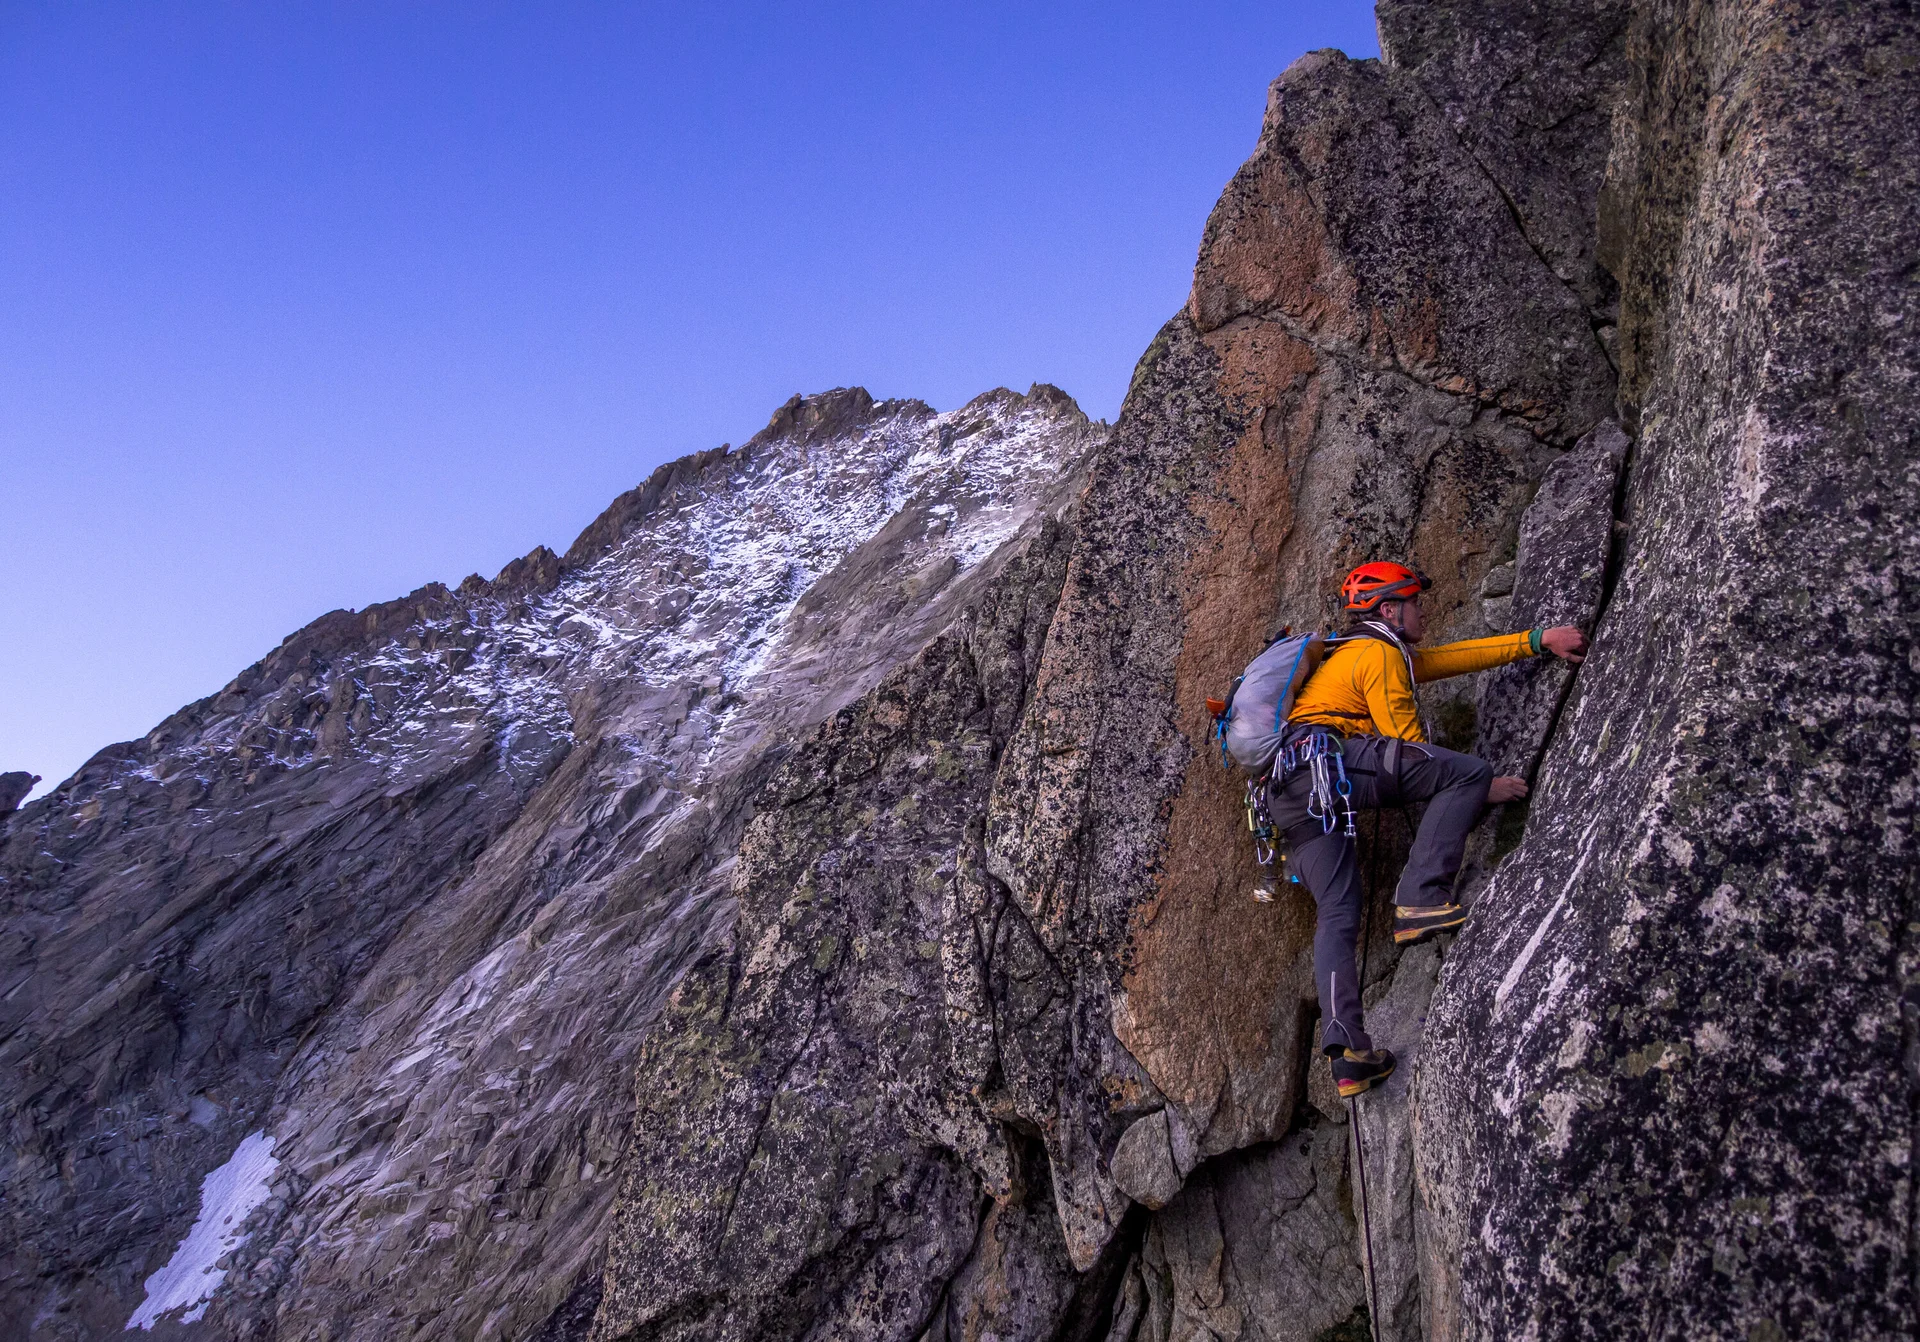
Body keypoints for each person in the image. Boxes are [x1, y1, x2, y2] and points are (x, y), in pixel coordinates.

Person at [1272, 561, 1589, 1098]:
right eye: (1415, 601)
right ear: (1390, 609)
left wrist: (1535, 640)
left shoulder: (1358, 654)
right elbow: (1414, 750)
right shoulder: (1377, 654)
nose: (1424, 610)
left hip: (1286, 790)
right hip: (1329, 764)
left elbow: (1449, 659)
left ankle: (1348, 1053)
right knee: (1466, 769)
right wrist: (1479, 784)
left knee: (1339, 911)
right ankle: (1420, 898)